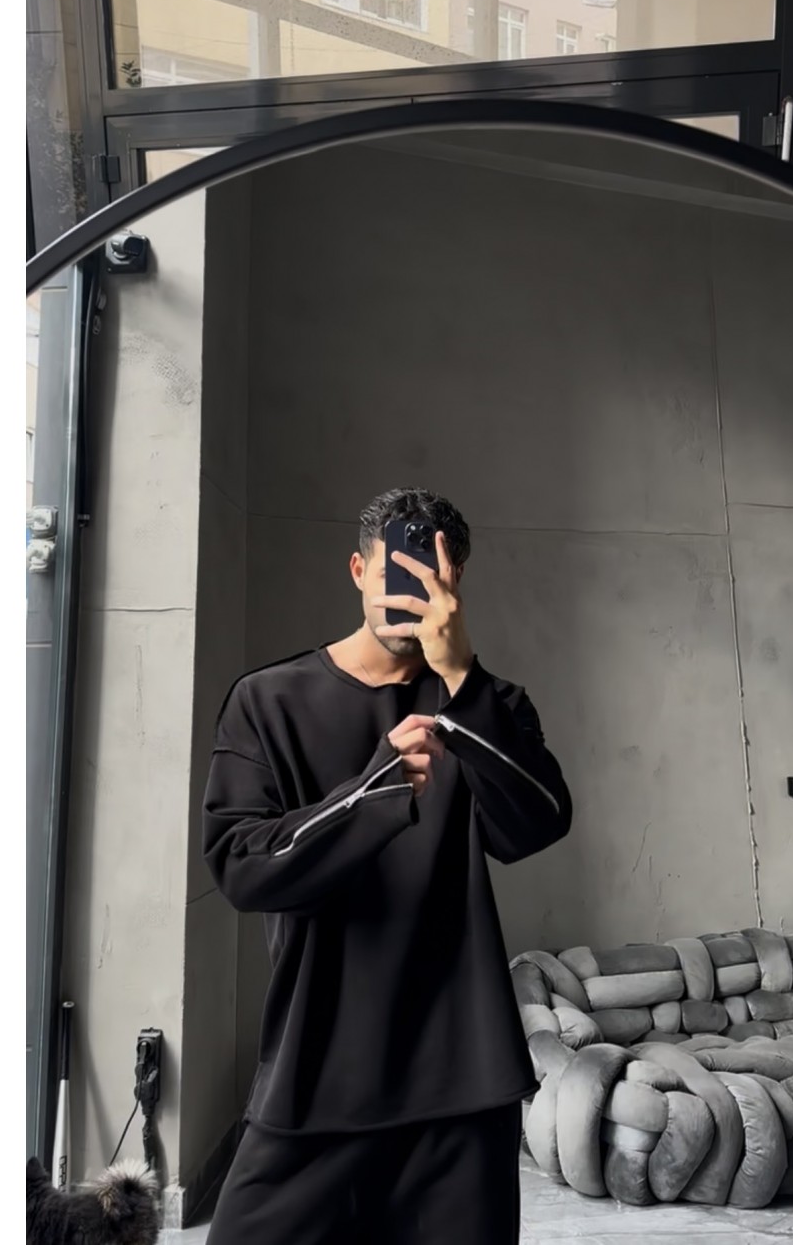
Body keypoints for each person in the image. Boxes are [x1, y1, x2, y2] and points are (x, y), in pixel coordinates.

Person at [202, 486, 572, 1245]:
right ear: (357, 571)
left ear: (455, 584)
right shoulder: (267, 701)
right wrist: (371, 794)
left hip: (462, 1083)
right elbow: (242, 866)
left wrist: (462, 680)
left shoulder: (489, 707)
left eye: (429, 576)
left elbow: (536, 823)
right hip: (316, 1071)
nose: (407, 594)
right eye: (392, 572)